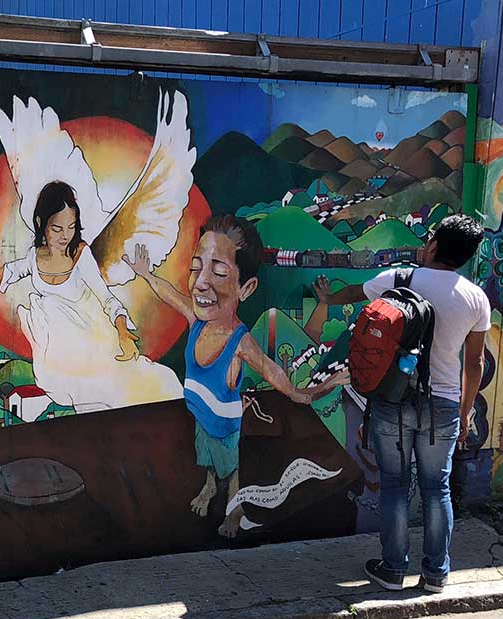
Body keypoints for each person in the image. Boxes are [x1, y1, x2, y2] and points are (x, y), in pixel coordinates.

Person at [132, 215, 346, 537]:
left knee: (231, 471)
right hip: (200, 416)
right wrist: (145, 274)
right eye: (196, 267)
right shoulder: (197, 320)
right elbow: (169, 294)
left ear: (246, 288)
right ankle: (207, 489)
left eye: (218, 271)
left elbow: (285, 385)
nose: (201, 282)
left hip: (225, 425)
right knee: (205, 458)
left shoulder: (239, 342)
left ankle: (235, 509)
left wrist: (325, 385)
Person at [314, 214, 491, 594]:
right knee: (436, 488)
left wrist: (328, 297)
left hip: (392, 400)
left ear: (434, 245)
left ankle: (393, 569)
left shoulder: (400, 279)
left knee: (395, 485)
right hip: (443, 403)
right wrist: (465, 410)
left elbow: (356, 294)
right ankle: (435, 574)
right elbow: (474, 363)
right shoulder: (476, 298)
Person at [0, 180, 181, 412]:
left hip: (92, 342)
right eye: (57, 228)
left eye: (71, 228)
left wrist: (123, 332)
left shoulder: (80, 255)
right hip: (60, 352)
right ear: (42, 222)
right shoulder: (34, 258)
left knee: (128, 393)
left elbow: (107, 299)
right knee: (88, 407)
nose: (65, 236)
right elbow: (7, 272)